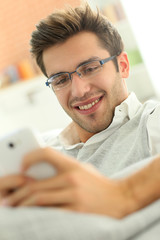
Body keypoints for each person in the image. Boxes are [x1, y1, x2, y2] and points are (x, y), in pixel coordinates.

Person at [0, 2, 160, 221]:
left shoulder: (152, 122)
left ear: (122, 65)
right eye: (60, 79)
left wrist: (124, 194)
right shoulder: (40, 152)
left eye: (90, 68)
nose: (79, 91)